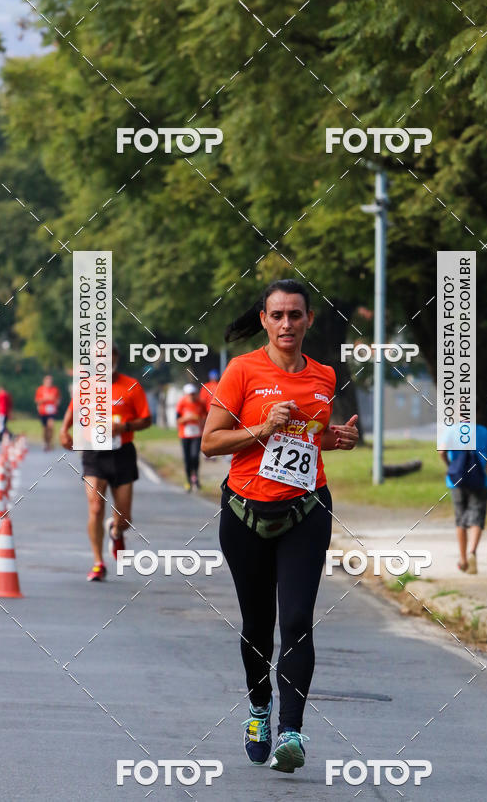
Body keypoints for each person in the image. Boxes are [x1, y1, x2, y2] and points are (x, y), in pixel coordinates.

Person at [201, 278, 358, 774]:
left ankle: (291, 730)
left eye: (296, 314)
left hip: (305, 511)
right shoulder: (242, 371)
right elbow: (211, 442)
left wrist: (336, 439)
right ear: (264, 321)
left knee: (295, 620)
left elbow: (309, 438)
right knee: (256, 627)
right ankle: (259, 708)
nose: (287, 323)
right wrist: (263, 428)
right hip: (245, 513)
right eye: (277, 315)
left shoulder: (325, 376)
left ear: (309, 320)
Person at [59, 344, 151, 581]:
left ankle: (116, 531)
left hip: (122, 454)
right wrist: (63, 430)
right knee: (95, 507)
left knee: (125, 519)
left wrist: (125, 426)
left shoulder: (131, 385)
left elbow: (146, 420)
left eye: (108, 357)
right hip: (94, 454)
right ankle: (98, 562)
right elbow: (73, 410)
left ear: (116, 358)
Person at [439, 417, 487, 574]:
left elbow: (442, 451)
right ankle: (472, 552)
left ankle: (463, 560)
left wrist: (450, 466)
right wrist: (486, 464)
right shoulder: (482, 431)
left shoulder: (451, 430)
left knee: (461, 519)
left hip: (456, 481)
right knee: (477, 516)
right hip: (479, 479)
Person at [176, 383, 206, 490]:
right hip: (185, 435)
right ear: (186, 394)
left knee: (195, 456)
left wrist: (199, 419)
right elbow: (178, 420)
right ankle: (188, 480)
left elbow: (205, 416)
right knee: (187, 459)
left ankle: (196, 478)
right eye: (190, 394)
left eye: (193, 394)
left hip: (197, 434)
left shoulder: (201, 403)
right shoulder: (181, 403)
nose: (192, 396)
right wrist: (187, 418)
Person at [34, 375, 61, 451]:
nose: (49, 382)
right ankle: (45, 442)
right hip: (43, 411)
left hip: (52, 411)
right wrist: (44, 399)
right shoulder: (40, 389)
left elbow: (58, 399)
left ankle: (50, 442)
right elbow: (37, 401)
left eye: (50, 381)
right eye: (47, 381)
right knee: (45, 428)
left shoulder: (55, 389)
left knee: (51, 426)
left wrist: (57, 403)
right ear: (44, 381)